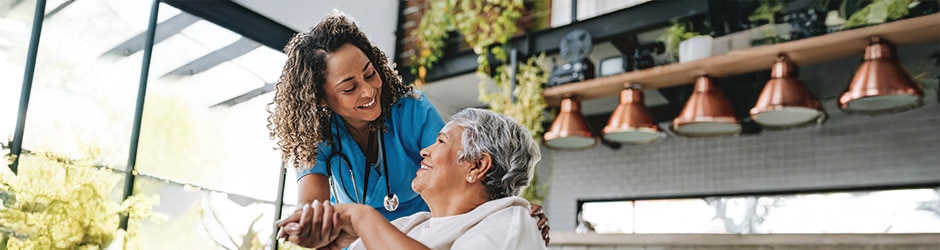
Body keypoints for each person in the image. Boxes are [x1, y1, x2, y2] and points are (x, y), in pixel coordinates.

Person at [266, 11, 550, 245]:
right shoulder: (319, 134)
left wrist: (506, 205)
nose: (368, 91)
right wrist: (310, 223)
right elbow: (311, 209)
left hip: (430, 237)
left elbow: (463, 171)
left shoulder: (412, 111)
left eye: (369, 74)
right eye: (350, 87)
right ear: (321, 99)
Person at [283, 108, 546, 250]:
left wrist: (362, 218)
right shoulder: (410, 226)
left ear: (477, 166)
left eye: (441, 141)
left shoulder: (510, 224)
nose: (424, 150)